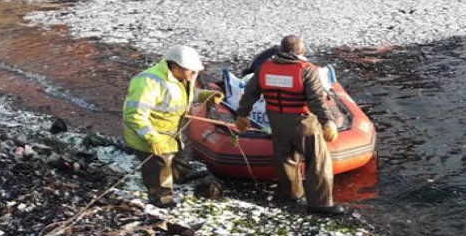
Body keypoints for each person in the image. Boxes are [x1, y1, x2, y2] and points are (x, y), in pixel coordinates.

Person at [234, 35, 347, 216]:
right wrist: (328, 121)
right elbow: (317, 100)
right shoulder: (307, 70)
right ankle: (320, 203)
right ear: (301, 51)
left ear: (281, 50)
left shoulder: (265, 68)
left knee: (285, 158)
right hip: (303, 122)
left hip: (277, 121)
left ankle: (290, 195)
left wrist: (242, 114)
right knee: (317, 161)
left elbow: (250, 92)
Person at [122, 45, 224, 206]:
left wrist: (206, 95)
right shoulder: (148, 82)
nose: (193, 75)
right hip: (149, 133)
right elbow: (134, 115)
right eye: (190, 71)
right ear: (174, 66)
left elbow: (182, 96)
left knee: (179, 154)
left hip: (171, 130)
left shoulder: (182, 78)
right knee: (158, 167)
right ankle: (160, 197)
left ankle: (180, 174)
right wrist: (152, 138)